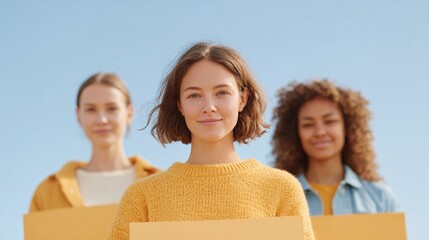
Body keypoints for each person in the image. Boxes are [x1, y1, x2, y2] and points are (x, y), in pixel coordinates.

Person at [108, 42, 315, 240]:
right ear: (179, 104)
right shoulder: (142, 197)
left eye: (222, 93)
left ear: (242, 99)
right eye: (194, 95)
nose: (209, 106)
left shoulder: (282, 189)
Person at [29, 73, 160, 212]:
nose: (101, 119)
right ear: (79, 115)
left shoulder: (160, 185)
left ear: (129, 113)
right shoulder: (47, 192)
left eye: (112, 109)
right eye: (90, 109)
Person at [272, 79, 401, 216]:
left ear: (347, 128)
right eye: (308, 125)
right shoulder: (277, 200)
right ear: (295, 133)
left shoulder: (381, 198)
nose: (320, 132)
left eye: (330, 121)